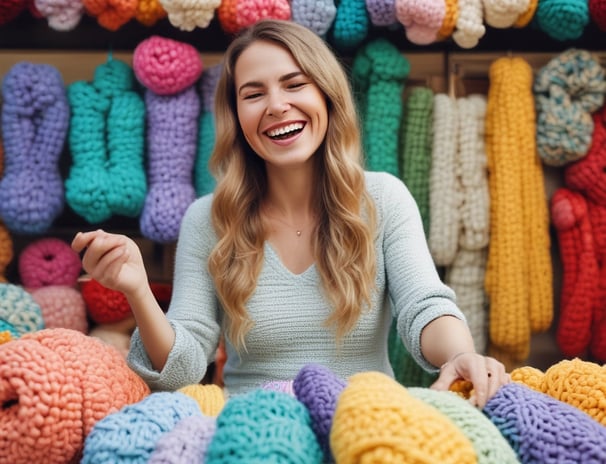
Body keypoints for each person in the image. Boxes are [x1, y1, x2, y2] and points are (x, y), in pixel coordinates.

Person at [71, 18, 509, 408]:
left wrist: (458, 356)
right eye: (253, 93)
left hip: (365, 428)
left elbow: (424, 305)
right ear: (236, 115)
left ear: (327, 94)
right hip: (253, 436)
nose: (276, 105)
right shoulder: (207, 220)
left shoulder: (384, 199)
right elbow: (184, 368)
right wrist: (138, 290)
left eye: (295, 84)